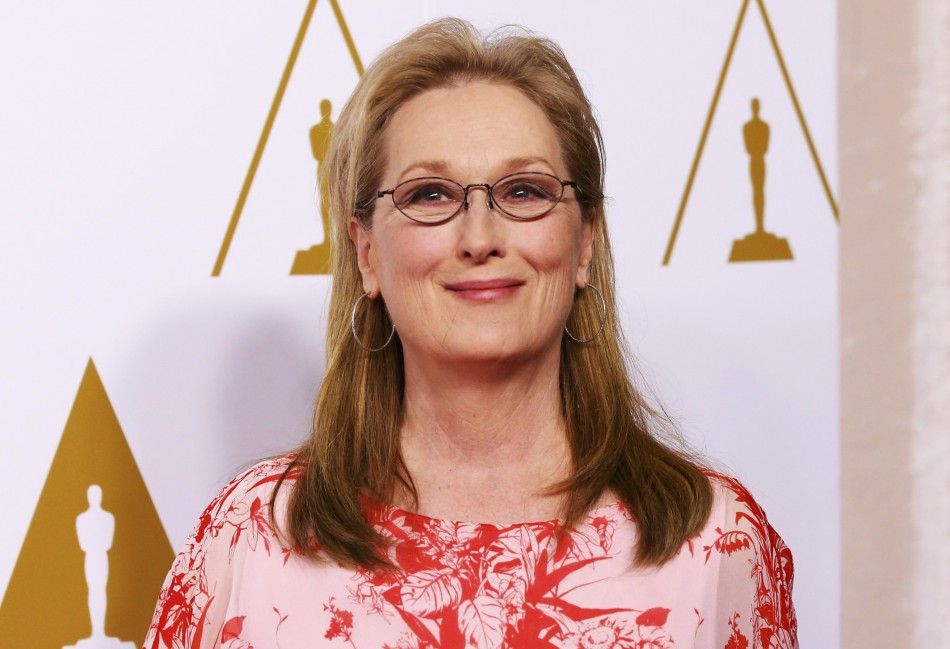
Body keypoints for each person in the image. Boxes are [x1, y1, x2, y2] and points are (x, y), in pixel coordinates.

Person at [144, 18, 797, 649]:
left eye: (523, 190)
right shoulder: (258, 535)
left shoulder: (715, 544)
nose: (480, 237)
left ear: (585, 243)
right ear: (367, 252)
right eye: (430, 195)